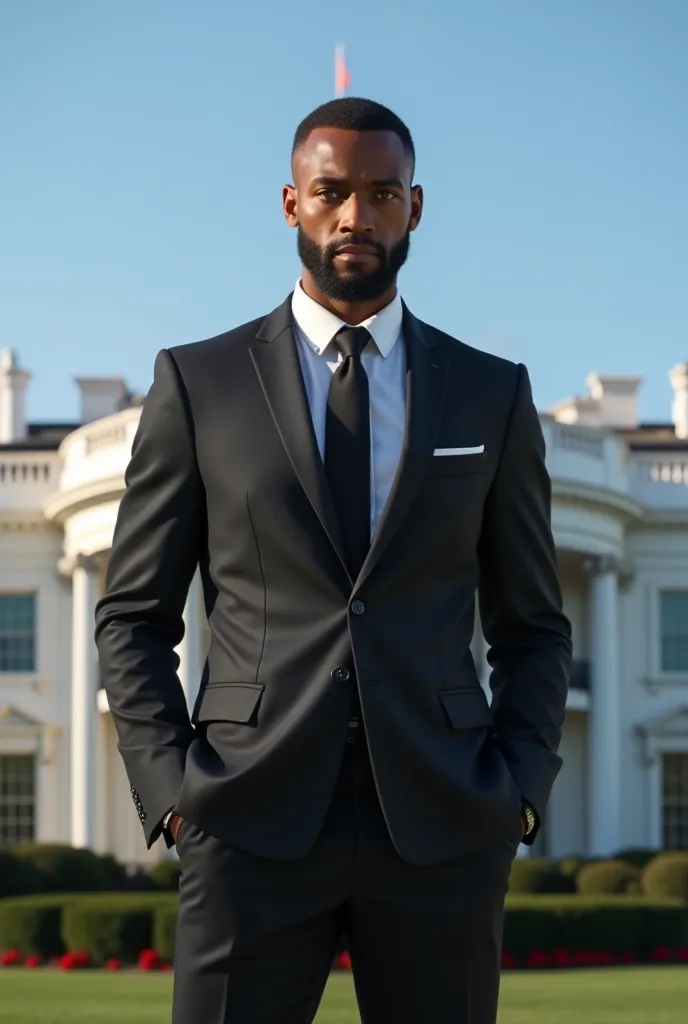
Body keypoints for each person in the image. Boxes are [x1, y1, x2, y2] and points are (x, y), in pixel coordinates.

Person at [95, 96, 571, 1024]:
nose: (357, 215)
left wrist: (516, 791)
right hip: (247, 820)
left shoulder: (490, 395)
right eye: (332, 192)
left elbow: (534, 625)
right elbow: (133, 616)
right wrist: (174, 791)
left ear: (415, 208)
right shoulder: (199, 383)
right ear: (291, 204)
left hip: (443, 823)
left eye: (382, 193)